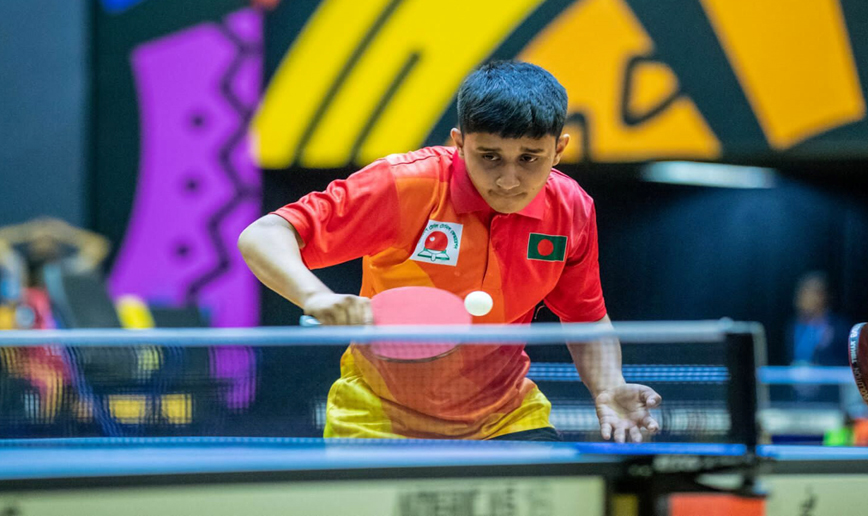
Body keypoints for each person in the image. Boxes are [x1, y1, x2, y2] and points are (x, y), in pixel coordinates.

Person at [239, 61, 661, 442]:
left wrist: (608, 384)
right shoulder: (406, 186)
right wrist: (315, 296)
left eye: (529, 158)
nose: (508, 180)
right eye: (489, 156)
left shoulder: (570, 209)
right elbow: (264, 234)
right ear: (459, 142)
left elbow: (586, 319)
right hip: (377, 419)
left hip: (505, 419)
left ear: (559, 149)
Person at [786, 271, 850, 367]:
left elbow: (847, 363)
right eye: (800, 293)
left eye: (807, 292)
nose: (801, 298)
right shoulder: (793, 326)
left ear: (822, 296)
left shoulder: (840, 328)